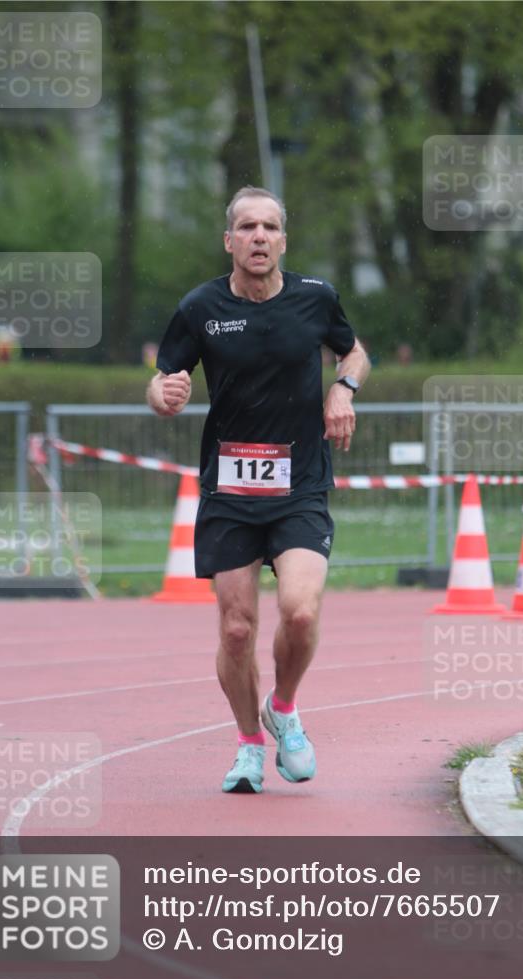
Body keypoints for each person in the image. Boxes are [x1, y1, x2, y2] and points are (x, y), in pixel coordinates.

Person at [147, 185, 370, 793]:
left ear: (283, 240)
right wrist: (162, 395)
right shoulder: (200, 307)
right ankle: (249, 743)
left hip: (299, 483)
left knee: (299, 611)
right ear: (229, 241)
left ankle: (286, 708)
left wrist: (342, 389)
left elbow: (353, 354)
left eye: (270, 227)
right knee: (237, 628)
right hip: (230, 488)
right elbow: (163, 377)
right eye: (247, 228)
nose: (259, 237)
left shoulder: (316, 298)